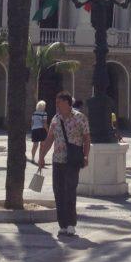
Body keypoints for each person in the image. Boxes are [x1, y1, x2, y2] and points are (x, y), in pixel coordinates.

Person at [38, 91, 90, 238]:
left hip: (72, 161)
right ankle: (62, 225)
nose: (56, 105)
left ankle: (71, 224)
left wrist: (86, 155)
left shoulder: (80, 118)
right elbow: (49, 139)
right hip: (57, 160)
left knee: (70, 191)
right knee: (58, 191)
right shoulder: (55, 118)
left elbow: (86, 139)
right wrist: (42, 156)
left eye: (58, 102)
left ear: (67, 103)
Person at [30, 100, 48, 164]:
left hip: (34, 129)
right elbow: (44, 123)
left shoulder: (34, 113)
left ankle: (32, 158)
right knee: (42, 145)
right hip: (41, 130)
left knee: (35, 145)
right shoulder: (44, 113)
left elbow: (32, 122)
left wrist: (32, 129)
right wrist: (47, 130)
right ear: (43, 106)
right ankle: (40, 159)